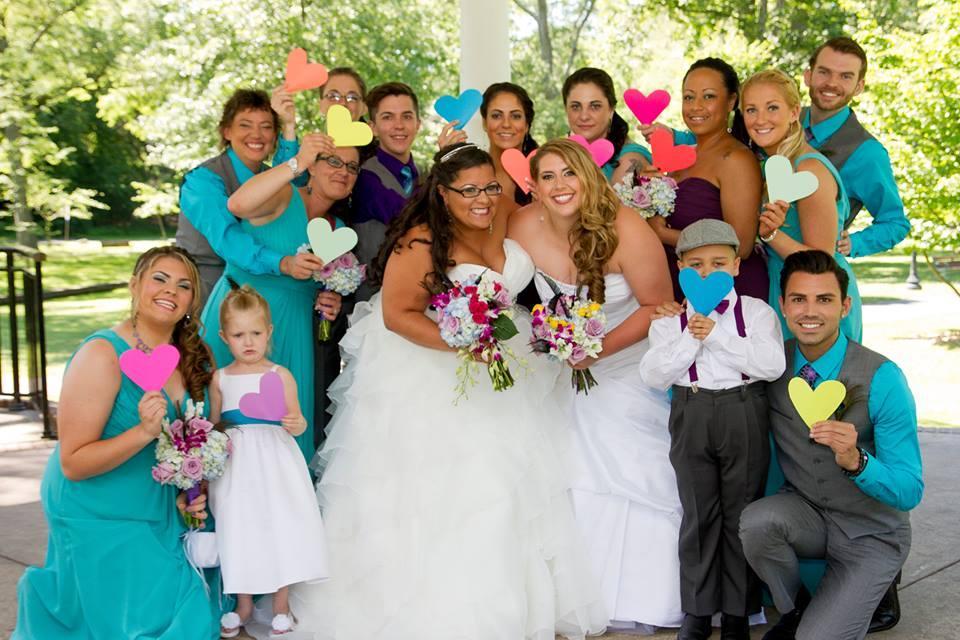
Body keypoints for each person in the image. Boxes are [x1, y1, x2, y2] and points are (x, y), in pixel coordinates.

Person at [285, 142, 608, 639]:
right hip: (434, 376)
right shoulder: (420, 241)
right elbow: (397, 315)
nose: (483, 199)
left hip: (507, 366)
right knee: (450, 490)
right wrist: (463, 345)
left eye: (490, 187)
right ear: (442, 192)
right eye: (469, 190)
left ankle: (507, 606)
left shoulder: (502, 213)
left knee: (507, 485)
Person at [509, 138, 682, 633]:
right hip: (556, 366)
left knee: (615, 439)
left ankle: (640, 597)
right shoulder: (521, 225)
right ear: (534, 186)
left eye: (569, 173)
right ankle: (566, 597)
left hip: (624, 361)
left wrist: (595, 352)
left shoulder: (627, 229)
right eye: (548, 177)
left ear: (588, 176)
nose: (560, 185)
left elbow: (656, 306)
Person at [14, 246, 220, 640]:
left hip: (163, 506)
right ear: (134, 285)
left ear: (193, 301)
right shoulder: (102, 355)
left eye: (184, 286)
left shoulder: (195, 356)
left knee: (196, 606)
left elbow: (193, 440)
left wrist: (192, 487)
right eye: (159, 278)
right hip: (99, 509)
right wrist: (142, 432)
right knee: (159, 624)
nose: (171, 290)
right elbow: (73, 463)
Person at [739, 249, 923, 640]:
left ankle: (875, 587)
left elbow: (910, 490)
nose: (810, 311)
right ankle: (794, 609)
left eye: (824, 299)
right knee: (756, 523)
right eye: (799, 299)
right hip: (809, 515)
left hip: (872, 531)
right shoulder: (771, 364)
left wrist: (858, 461)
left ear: (844, 306)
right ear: (783, 305)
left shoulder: (883, 376)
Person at [639, 219, 786, 640]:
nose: (707, 273)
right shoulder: (668, 322)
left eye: (718, 263)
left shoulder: (757, 313)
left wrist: (717, 335)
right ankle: (698, 612)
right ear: (681, 268)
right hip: (692, 410)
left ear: (736, 266)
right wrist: (692, 336)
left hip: (743, 410)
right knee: (698, 513)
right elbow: (654, 375)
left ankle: (738, 613)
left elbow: (771, 365)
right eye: (696, 265)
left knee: (741, 512)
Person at [201, 134, 343, 462]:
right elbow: (236, 205)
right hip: (239, 318)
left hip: (293, 327)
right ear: (314, 167)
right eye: (334, 161)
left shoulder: (341, 229)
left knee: (288, 421)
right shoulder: (283, 193)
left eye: (352, 167)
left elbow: (325, 285)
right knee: (220, 414)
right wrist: (297, 162)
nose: (343, 172)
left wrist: (329, 299)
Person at [209, 284, 328, 638]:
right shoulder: (220, 379)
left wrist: (296, 423)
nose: (248, 342)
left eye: (256, 333)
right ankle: (243, 604)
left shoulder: (279, 375)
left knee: (280, 523)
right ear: (224, 337)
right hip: (236, 465)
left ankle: (281, 605)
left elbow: (298, 421)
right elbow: (215, 425)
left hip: (275, 461)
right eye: (238, 335)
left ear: (269, 332)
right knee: (238, 527)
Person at [740, 69, 863, 342]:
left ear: (794, 112)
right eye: (751, 110)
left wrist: (770, 235)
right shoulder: (768, 165)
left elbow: (822, 260)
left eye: (772, 107)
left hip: (815, 300)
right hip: (784, 290)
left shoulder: (809, 170)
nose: (760, 119)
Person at [177, 88, 322, 306]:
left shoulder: (269, 177)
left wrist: (289, 126)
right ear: (227, 131)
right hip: (205, 292)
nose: (256, 135)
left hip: (263, 298)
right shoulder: (201, 181)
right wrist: (282, 263)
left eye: (266, 127)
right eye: (245, 125)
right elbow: (228, 238)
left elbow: (295, 183)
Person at [645, 58, 768, 302]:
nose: (696, 107)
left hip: (727, 294)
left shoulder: (736, 159)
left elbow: (742, 245)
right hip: (683, 288)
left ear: (731, 101)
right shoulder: (681, 156)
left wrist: (663, 234)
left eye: (708, 96)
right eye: (689, 97)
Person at [802, 37, 909, 259]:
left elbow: (895, 222)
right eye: (824, 72)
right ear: (808, 76)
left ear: (859, 86)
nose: (832, 83)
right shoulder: (779, 122)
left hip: (814, 270)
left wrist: (854, 243)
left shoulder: (867, 153)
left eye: (845, 76)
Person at [351, 81, 423, 300]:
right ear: (373, 127)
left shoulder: (421, 174)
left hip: (417, 296)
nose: (399, 125)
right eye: (388, 117)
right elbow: (411, 220)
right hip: (375, 301)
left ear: (418, 124)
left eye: (407, 116)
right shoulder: (367, 177)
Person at [439, 82, 539, 214]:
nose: (506, 124)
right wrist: (446, 166)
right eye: (496, 116)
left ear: (526, 126)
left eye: (516, 116)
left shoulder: (543, 173)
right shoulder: (467, 172)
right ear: (485, 123)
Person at [563, 67, 651, 184]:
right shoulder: (560, 155)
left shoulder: (631, 159)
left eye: (595, 106)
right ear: (566, 109)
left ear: (611, 110)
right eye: (575, 107)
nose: (584, 116)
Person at [317, 66, 377, 164]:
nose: (342, 103)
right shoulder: (310, 153)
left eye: (352, 98)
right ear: (321, 105)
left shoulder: (380, 156)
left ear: (364, 108)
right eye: (333, 96)